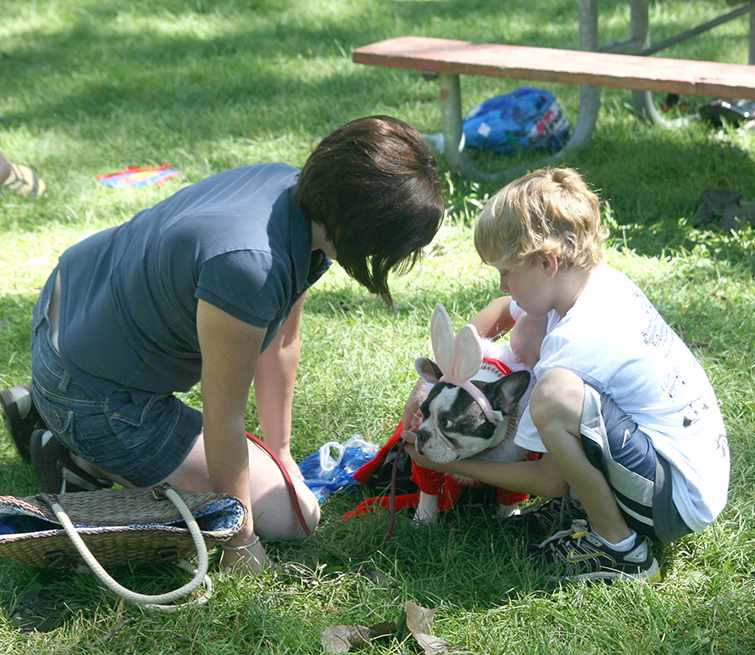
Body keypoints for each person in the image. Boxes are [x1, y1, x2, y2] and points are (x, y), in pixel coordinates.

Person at [1, 115, 444, 575]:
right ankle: (78, 453)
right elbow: (224, 415)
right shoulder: (251, 265)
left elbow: (282, 342)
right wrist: (239, 539)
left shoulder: (290, 189)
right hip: (93, 395)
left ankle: (55, 417)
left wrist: (284, 453)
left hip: (66, 309)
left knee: (288, 493)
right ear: (360, 225)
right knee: (295, 518)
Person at [402, 167, 729, 583]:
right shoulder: (597, 285)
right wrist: (447, 375)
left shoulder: (578, 341)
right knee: (541, 354)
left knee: (553, 396)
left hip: (675, 500)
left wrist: (448, 461)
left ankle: (621, 550)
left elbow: (550, 480)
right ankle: (591, 515)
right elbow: (501, 312)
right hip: (688, 475)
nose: (503, 285)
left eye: (506, 272)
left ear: (547, 262)